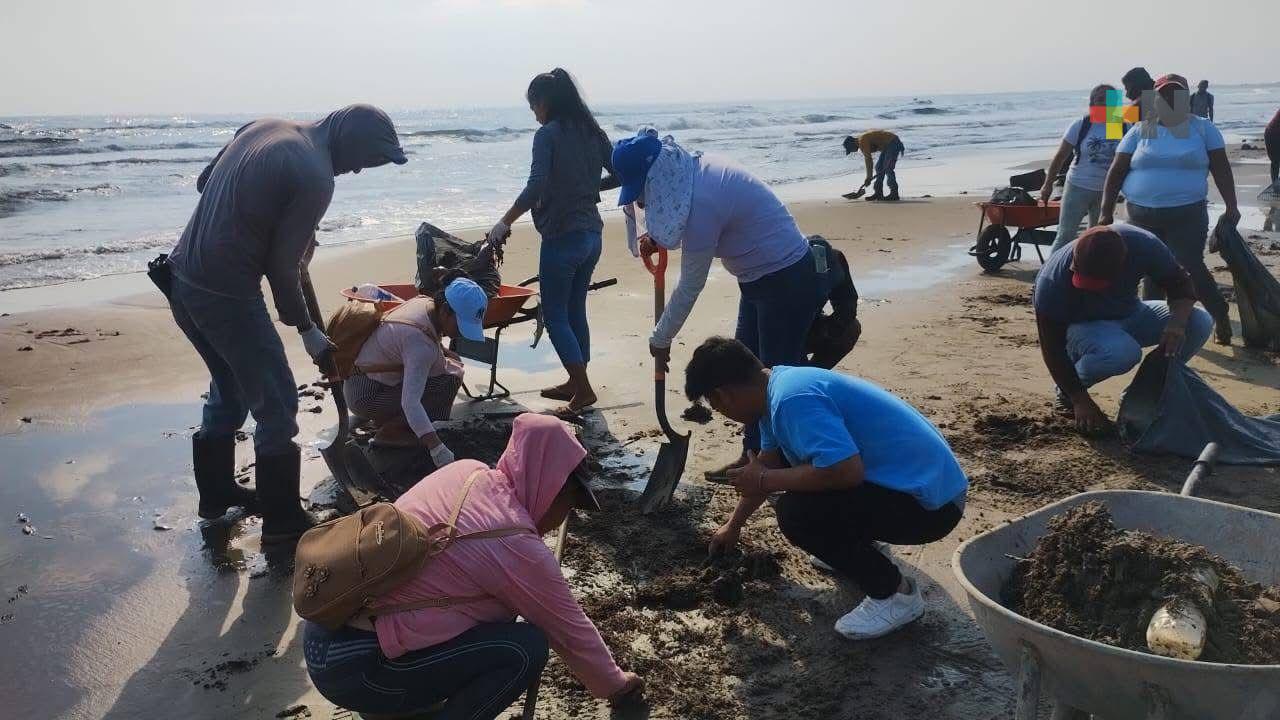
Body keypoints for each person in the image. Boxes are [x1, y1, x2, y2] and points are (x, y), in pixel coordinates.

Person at [166, 105, 407, 542]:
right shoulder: (316, 175)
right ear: (349, 141)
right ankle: (282, 523)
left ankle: (216, 495)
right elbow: (281, 268)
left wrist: (280, 224)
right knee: (277, 404)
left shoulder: (263, 127)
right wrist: (309, 331)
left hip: (180, 278)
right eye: (361, 161)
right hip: (226, 294)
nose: (354, 171)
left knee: (230, 384)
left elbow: (206, 183)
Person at [302, 413, 643, 719]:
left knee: (488, 617)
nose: (562, 518)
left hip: (328, 633)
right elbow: (568, 629)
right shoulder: (513, 540)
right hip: (356, 668)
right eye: (568, 503)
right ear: (551, 487)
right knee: (524, 648)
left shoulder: (468, 472)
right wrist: (616, 685)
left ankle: (397, 709)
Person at [685, 337, 967, 640]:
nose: (721, 412)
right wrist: (733, 526)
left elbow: (844, 472)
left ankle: (896, 594)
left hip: (932, 507)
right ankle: (861, 544)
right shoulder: (773, 393)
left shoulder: (792, 399)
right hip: (918, 487)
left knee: (796, 513)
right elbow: (767, 466)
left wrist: (766, 480)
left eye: (715, 406)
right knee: (803, 491)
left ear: (723, 395)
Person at [611, 130, 826, 477]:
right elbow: (682, 218)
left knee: (773, 379)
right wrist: (654, 236)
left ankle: (790, 464)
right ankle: (754, 454)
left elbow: (691, 284)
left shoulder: (703, 200)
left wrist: (661, 338)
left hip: (785, 279)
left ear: (658, 177)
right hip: (756, 279)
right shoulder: (692, 172)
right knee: (744, 374)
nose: (645, 204)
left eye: (644, 192)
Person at [484, 69, 619, 414]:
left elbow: (536, 185)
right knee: (575, 309)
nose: (534, 113)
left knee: (556, 313)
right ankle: (577, 381)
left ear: (545, 102)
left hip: (562, 237)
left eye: (534, 106)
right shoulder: (592, 132)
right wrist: (586, 190)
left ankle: (584, 390)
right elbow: (620, 172)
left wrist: (504, 222)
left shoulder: (548, 135)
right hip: (592, 235)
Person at [1099, 73, 1238, 346]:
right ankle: (1156, 325)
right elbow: (1116, 171)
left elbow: (1221, 169)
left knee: (1189, 267)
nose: (1169, 100)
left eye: (1176, 95)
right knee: (1149, 270)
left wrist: (1232, 206)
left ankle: (1219, 313)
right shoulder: (1144, 128)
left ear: (1186, 99)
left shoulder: (1202, 128)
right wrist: (1105, 212)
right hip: (1140, 215)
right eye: (1163, 95)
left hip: (1186, 214)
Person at [1033, 225, 1213, 434]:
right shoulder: (1052, 281)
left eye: (1095, 283)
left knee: (1200, 322)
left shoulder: (1144, 245)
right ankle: (1065, 394)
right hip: (1083, 327)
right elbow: (1052, 349)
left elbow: (1180, 284)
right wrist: (1079, 399)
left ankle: (1143, 392)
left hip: (1132, 312)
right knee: (1123, 353)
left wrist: (1176, 324)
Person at [344, 278, 488, 465]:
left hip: (364, 379)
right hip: (366, 395)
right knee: (448, 380)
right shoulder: (420, 346)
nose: (462, 332)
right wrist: (437, 448)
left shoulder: (424, 303)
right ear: (445, 309)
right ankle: (391, 433)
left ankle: (392, 422)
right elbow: (410, 403)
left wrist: (447, 354)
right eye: (460, 324)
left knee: (451, 365)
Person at [1043, 85, 1128, 252]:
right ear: (1092, 103)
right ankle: (1049, 273)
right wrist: (1047, 185)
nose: (1105, 105)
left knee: (1098, 237)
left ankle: (1089, 272)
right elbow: (1060, 157)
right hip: (1078, 186)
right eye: (1100, 100)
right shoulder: (1082, 125)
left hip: (1106, 191)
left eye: (1110, 100)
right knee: (1066, 234)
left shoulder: (1120, 125)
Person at [843, 130, 905, 201]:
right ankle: (878, 193)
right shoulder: (862, 140)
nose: (851, 151)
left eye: (850, 149)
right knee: (879, 167)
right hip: (888, 146)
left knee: (888, 168)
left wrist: (868, 177)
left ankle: (894, 194)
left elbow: (868, 160)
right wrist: (869, 177)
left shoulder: (862, 141)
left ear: (851, 144)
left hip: (893, 143)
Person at [1266, 107, 1280, 184]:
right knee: (1276, 161)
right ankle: (1275, 185)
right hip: (1272, 134)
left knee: (1276, 162)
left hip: (1273, 132)